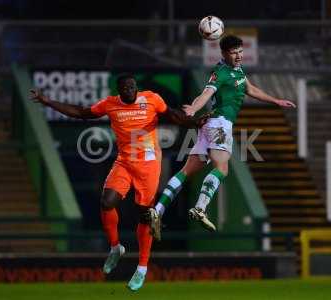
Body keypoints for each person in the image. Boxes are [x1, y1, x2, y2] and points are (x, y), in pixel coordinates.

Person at [30, 73, 208, 291]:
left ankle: (142, 268)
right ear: (120, 90)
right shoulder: (110, 104)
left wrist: (194, 121)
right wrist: (48, 101)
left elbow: (173, 115)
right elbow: (81, 113)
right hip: (124, 162)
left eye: (133, 86)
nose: (131, 90)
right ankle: (115, 248)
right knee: (106, 202)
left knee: (145, 215)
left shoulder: (152, 98)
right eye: (126, 88)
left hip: (148, 164)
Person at [148, 35, 296, 241]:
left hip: (210, 125)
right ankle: (200, 208)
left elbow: (250, 89)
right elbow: (206, 93)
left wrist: (276, 100)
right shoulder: (221, 73)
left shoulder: (238, 71)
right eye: (234, 52)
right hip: (219, 124)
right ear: (225, 54)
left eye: (240, 51)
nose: (238, 55)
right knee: (222, 168)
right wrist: (194, 107)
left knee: (186, 171)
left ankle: (158, 209)